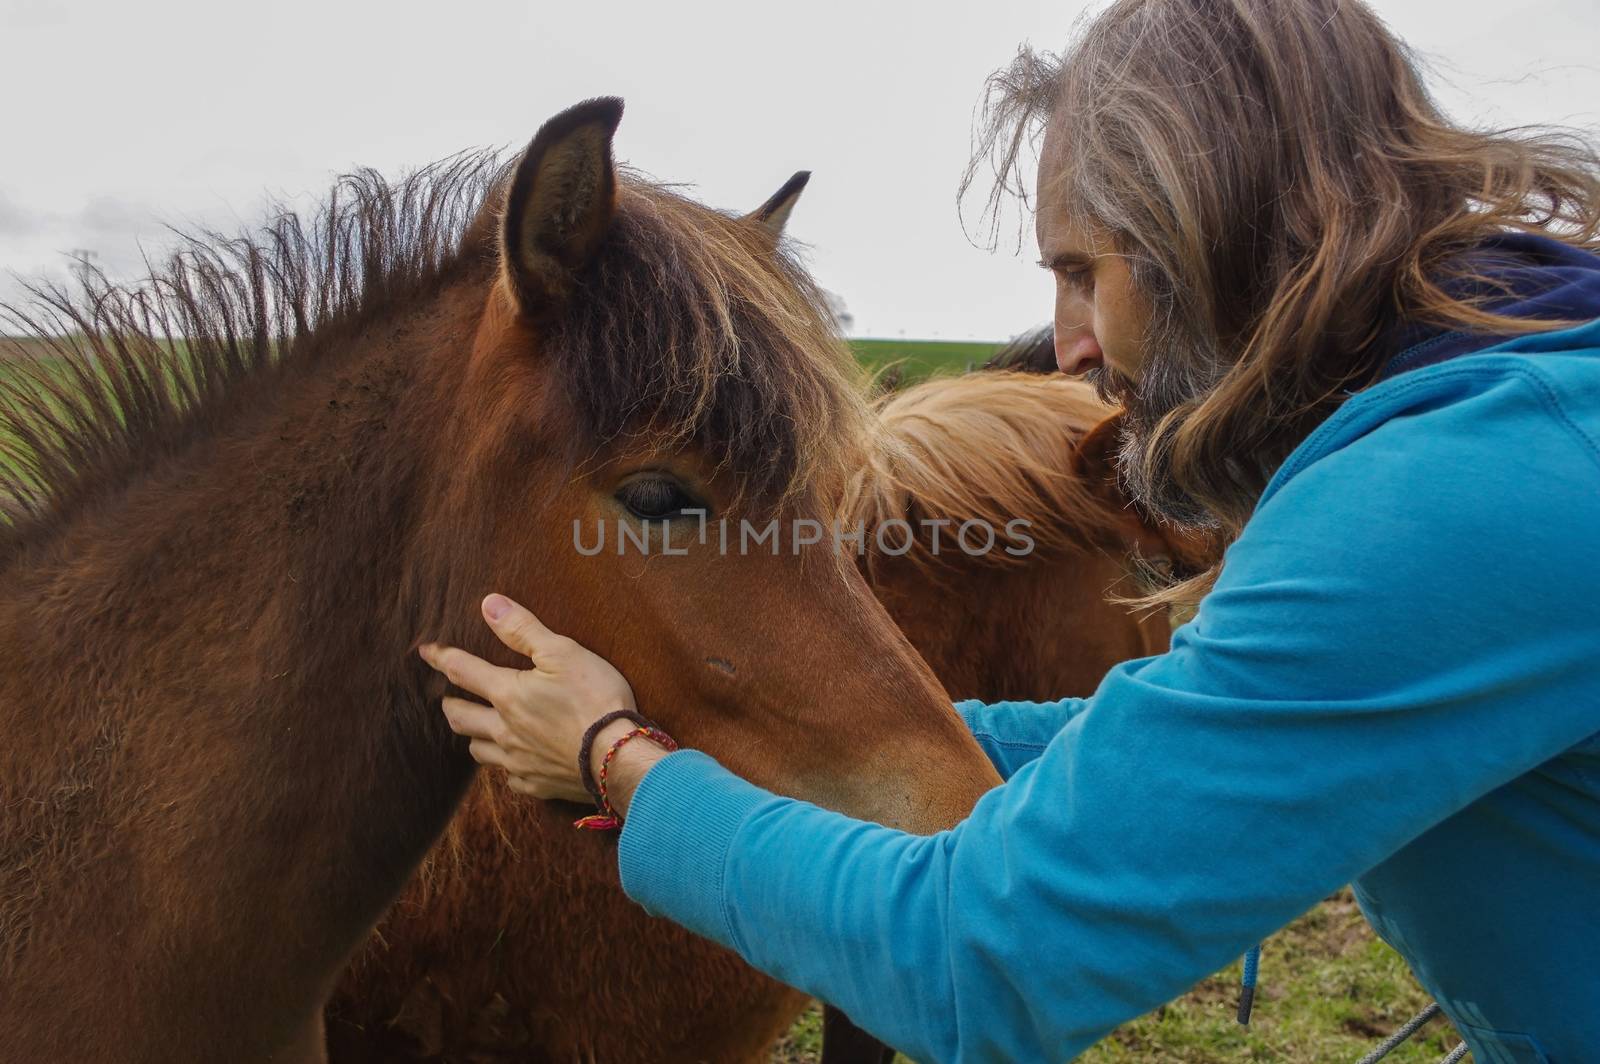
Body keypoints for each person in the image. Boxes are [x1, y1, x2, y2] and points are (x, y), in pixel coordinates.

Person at [418, 1, 1600, 1059]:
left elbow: (978, 963)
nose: (1067, 341)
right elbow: (1191, 732)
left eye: (1083, 269)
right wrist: (807, 730)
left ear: (1218, 225)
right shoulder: (1504, 422)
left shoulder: (1445, 503)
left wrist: (618, 762)